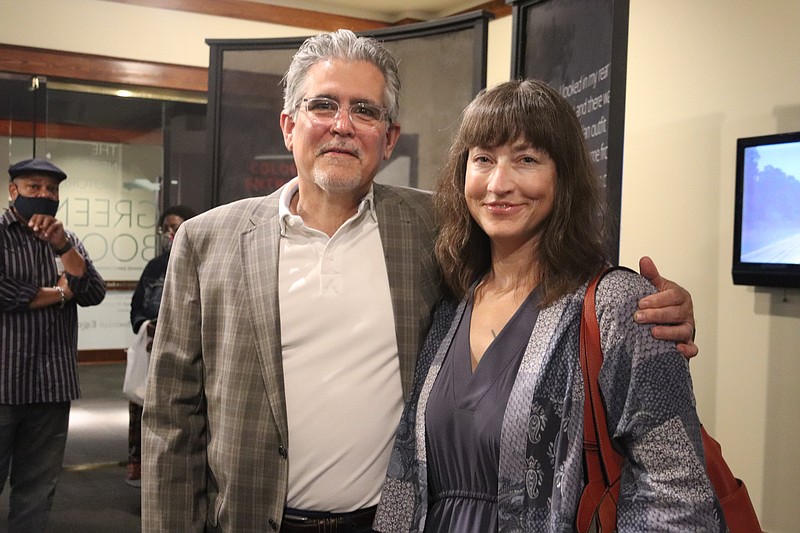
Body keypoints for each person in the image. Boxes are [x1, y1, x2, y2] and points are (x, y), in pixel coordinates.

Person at [142, 31, 696, 533]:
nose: (342, 124)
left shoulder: (434, 231)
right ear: (289, 124)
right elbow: (172, 419)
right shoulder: (206, 241)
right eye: (323, 105)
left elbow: (563, 275)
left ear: (389, 138)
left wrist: (651, 310)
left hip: (389, 519)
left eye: (365, 110)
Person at [374, 79, 724, 532]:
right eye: (483, 159)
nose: (499, 184)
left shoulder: (618, 306)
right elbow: (408, 474)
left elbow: (678, 492)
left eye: (527, 159)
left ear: (564, 177)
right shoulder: (450, 305)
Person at [0, 158, 106, 532]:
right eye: (34, 187)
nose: (44, 195)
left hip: (52, 385)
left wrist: (62, 247)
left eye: (52, 189)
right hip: (3, 383)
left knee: (38, 489)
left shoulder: (67, 241)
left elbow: (93, 291)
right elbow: (5, 293)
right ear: (14, 191)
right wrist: (62, 293)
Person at [126, 205, 196, 487]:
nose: (170, 234)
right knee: (143, 412)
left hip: (187, 357)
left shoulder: (200, 261)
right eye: (166, 228)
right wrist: (146, 325)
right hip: (151, 352)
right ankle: (141, 471)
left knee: (177, 420)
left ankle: (174, 478)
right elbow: (136, 307)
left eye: (176, 227)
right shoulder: (154, 267)